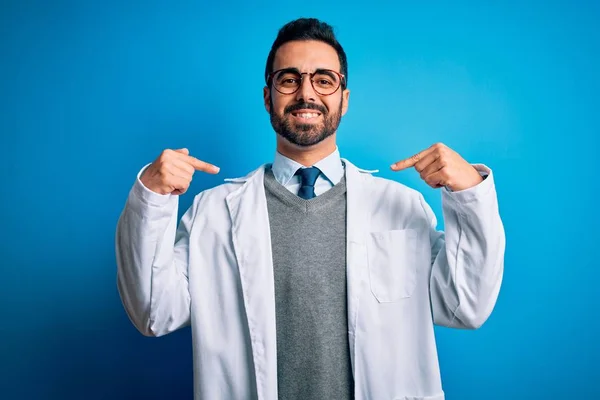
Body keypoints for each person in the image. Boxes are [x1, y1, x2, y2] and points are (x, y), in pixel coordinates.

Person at [115, 17, 505, 400]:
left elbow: (465, 304)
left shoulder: (401, 208)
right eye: (289, 79)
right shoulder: (213, 214)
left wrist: (469, 192)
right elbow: (154, 312)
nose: (306, 94)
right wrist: (151, 196)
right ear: (268, 97)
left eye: (324, 80)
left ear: (344, 99)